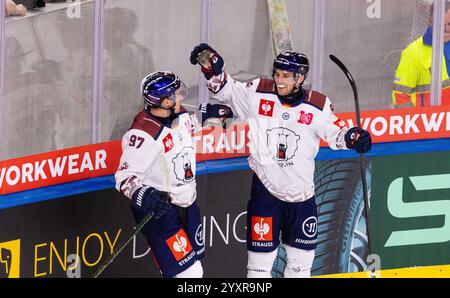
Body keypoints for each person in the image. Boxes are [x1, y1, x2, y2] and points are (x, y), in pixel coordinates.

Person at [190, 44, 372, 278]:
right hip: (265, 193)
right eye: (277, 74)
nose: (279, 80)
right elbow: (227, 91)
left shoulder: (317, 105)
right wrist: (213, 71)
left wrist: (353, 137)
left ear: (301, 78)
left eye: (286, 76)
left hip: (302, 197)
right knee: (258, 268)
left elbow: (335, 132)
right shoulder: (258, 91)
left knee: (299, 267)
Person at [114, 71, 204, 278]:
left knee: (193, 265)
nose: (181, 97)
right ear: (165, 102)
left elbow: (204, 123)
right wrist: (146, 195)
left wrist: (226, 115)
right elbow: (124, 177)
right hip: (160, 211)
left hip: (188, 204)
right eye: (177, 94)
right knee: (190, 274)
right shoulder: (143, 133)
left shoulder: (181, 115)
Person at [392, 2, 450, 108]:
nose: (446, 29)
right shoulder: (413, 53)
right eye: (441, 24)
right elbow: (400, 97)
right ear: (430, 20)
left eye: (449, 24)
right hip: (427, 122)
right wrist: (414, 122)